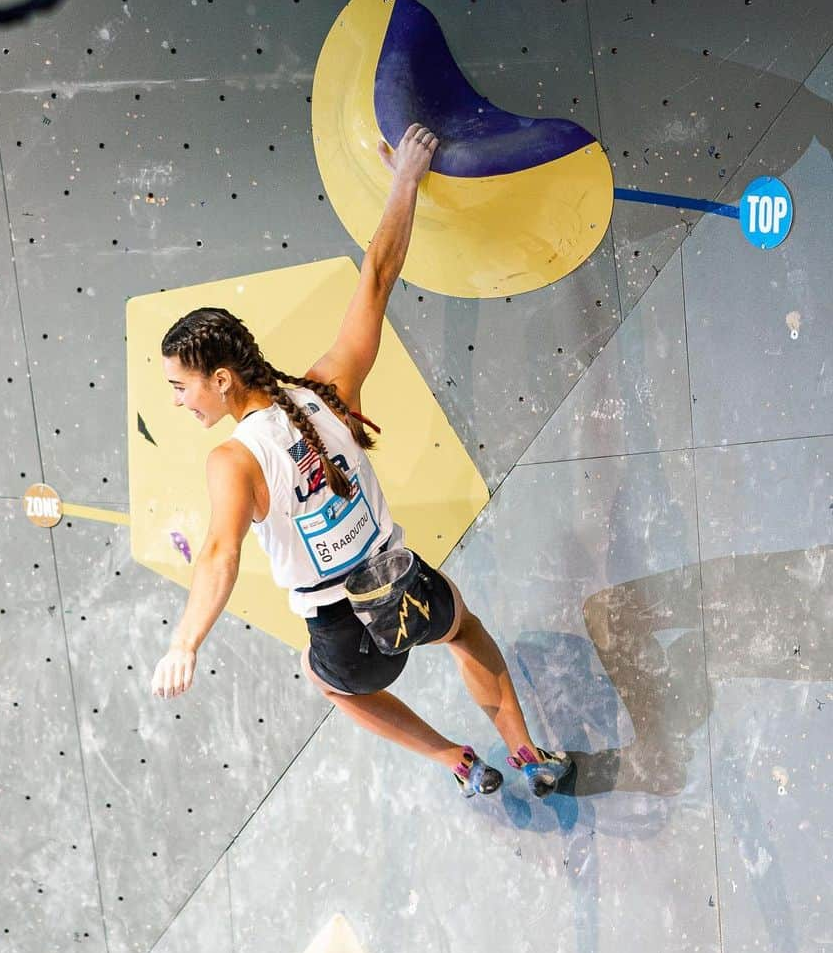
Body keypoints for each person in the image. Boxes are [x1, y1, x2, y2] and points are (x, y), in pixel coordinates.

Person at [150, 123, 573, 800]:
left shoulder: (234, 460)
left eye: (181, 385)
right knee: (463, 630)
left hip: (346, 637)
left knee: (321, 679)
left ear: (222, 380)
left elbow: (219, 557)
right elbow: (378, 274)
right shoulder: (327, 390)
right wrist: (406, 177)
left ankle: (456, 761)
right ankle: (526, 752)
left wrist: (185, 643)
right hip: (404, 591)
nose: (177, 400)